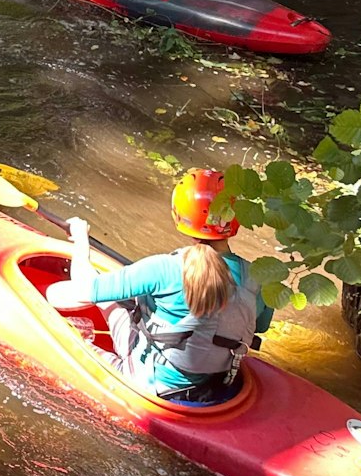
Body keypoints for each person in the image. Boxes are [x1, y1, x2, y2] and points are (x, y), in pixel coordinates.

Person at [45, 170, 273, 403]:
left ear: (179, 215)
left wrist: (80, 240)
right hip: (212, 384)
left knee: (69, 299)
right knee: (121, 302)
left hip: (150, 384)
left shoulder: (162, 269)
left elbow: (70, 293)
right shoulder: (258, 278)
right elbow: (261, 326)